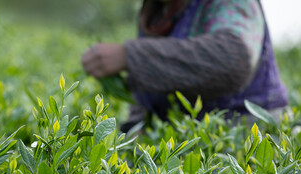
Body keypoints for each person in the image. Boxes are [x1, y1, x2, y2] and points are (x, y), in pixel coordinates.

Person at [81, 0, 288, 132]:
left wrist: (130, 56)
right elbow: (153, 86)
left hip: (245, 133)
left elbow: (233, 59)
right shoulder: (157, 11)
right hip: (182, 136)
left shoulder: (230, 4)